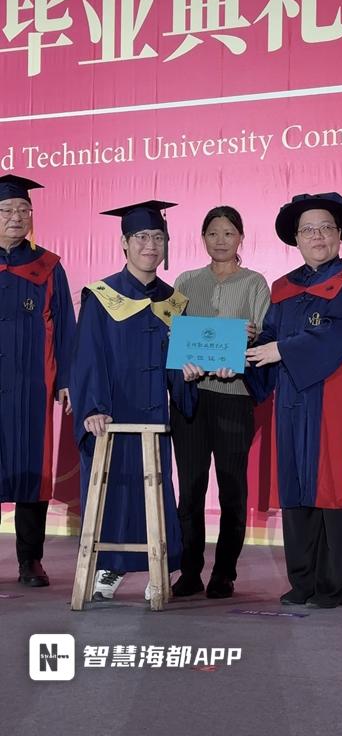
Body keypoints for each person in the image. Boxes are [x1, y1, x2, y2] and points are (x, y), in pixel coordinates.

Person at [246, 193, 342, 608]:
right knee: (296, 489)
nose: (317, 236)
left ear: (339, 234)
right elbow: (270, 336)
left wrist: (281, 350)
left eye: (325, 228)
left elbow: (335, 335)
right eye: (308, 230)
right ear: (296, 239)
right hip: (292, 404)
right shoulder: (283, 288)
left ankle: (332, 586)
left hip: (334, 404)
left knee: (333, 490)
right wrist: (242, 353)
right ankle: (302, 581)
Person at [70, 200, 201, 601]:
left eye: (158, 237)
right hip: (113, 413)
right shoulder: (102, 295)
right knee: (114, 488)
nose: (150, 245)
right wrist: (93, 407)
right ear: (124, 243)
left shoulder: (174, 302)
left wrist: (187, 375)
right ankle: (109, 566)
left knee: (154, 490)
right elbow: (88, 354)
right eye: (141, 237)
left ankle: (157, 568)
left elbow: (176, 365)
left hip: (154, 415)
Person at [170, 205, 271, 599]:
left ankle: (224, 573)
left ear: (241, 237)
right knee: (190, 489)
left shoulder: (255, 283)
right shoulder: (186, 281)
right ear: (203, 238)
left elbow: (265, 337)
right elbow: (174, 335)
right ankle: (189, 571)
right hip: (192, 398)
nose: (221, 240)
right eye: (213, 233)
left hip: (234, 396)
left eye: (229, 233)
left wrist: (250, 338)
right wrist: (182, 359)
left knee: (232, 489)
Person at [0, 174, 75, 587]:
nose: (16, 216)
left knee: (32, 469)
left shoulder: (47, 266)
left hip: (32, 385)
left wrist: (66, 378)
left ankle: (30, 560)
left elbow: (65, 325)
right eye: (7, 210)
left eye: (23, 210)